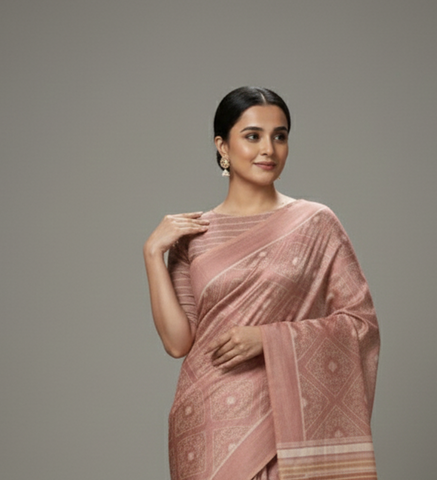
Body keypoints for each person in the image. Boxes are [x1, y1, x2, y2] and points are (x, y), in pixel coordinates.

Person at [143, 87, 379, 480]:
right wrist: (153, 253)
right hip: (208, 416)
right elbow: (178, 343)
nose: (268, 149)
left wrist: (268, 339)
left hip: (287, 419)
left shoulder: (315, 224)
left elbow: (360, 324)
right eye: (252, 136)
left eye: (279, 136)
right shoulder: (192, 237)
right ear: (223, 146)